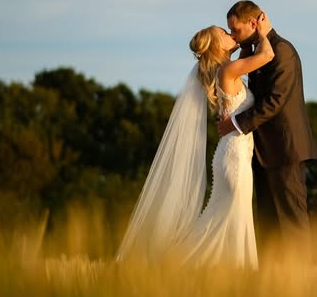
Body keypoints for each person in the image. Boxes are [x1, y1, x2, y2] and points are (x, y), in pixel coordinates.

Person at [115, 25, 273, 269]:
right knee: (233, 217)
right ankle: (178, 265)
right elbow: (267, 56)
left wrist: (243, 42)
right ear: (216, 45)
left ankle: (190, 267)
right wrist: (260, 28)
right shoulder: (228, 70)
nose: (231, 34)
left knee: (223, 216)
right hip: (235, 156)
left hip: (234, 153)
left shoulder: (226, 69)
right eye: (224, 33)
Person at [217, 0, 317, 244]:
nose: (233, 34)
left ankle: (301, 278)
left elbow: (276, 100)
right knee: (268, 225)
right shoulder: (256, 52)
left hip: (285, 150)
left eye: (236, 29)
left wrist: (235, 123)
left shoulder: (281, 50)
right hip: (261, 152)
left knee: (292, 223)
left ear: (254, 23)